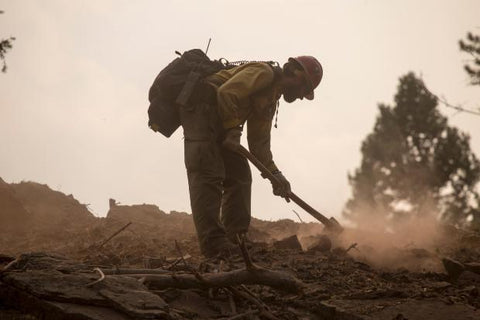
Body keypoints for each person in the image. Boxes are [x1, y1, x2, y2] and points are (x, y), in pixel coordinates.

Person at [179, 56, 323, 258]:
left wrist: (275, 175)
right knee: (208, 174)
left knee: (240, 176)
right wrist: (232, 130)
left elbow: (259, 143)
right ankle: (213, 244)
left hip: (221, 122)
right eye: (304, 89)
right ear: (297, 75)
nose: (300, 97)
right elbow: (226, 93)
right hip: (201, 109)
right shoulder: (263, 73)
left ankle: (236, 239)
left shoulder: (270, 98)